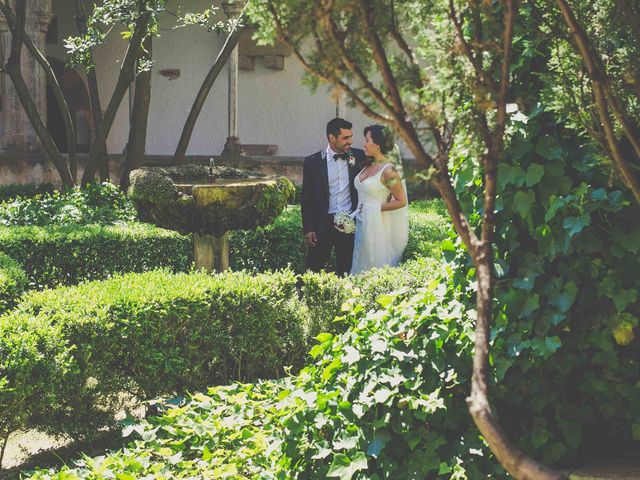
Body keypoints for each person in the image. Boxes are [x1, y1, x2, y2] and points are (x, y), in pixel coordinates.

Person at [301, 118, 366, 276]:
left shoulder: (358, 156)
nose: (350, 141)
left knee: (347, 269)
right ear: (331, 138)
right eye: (345, 138)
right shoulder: (313, 162)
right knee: (314, 269)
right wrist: (308, 228)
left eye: (351, 137)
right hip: (322, 223)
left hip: (349, 221)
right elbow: (306, 198)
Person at [350, 124, 409, 275]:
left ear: (377, 144)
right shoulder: (367, 165)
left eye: (367, 140)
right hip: (361, 222)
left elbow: (401, 200)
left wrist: (375, 208)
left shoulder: (388, 171)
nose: (364, 143)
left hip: (378, 223)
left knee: (374, 263)